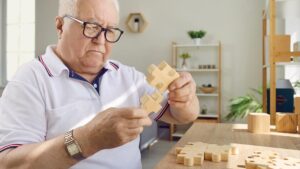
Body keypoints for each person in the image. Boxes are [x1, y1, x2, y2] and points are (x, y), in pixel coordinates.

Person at [0, 0, 199, 168]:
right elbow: (9, 163)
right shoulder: (30, 79)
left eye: (110, 30)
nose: (101, 40)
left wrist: (185, 99)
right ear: (60, 26)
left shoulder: (127, 76)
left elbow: (181, 115)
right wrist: (87, 140)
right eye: (92, 26)